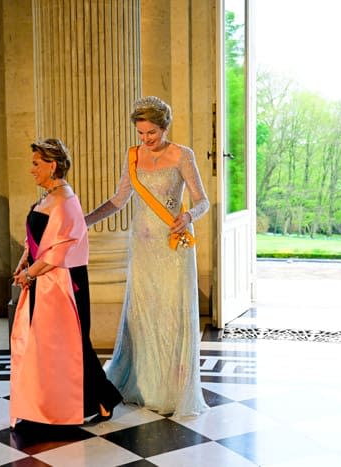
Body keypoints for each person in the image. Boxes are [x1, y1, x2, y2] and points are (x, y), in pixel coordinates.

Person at [85, 96, 210, 417]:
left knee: (171, 314)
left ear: (165, 127)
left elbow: (202, 201)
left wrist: (189, 216)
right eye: (141, 133)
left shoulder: (183, 156)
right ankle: (141, 384)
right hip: (141, 250)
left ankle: (170, 389)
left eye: (151, 133)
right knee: (143, 314)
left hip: (173, 249)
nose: (145, 139)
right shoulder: (133, 156)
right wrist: (83, 221)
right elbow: (117, 201)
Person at [10, 138, 122, 428]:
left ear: (53, 165)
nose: (31, 169)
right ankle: (46, 404)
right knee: (48, 344)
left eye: (36, 164)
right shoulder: (47, 197)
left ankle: (103, 399)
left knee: (74, 345)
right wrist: (25, 260)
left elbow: (60, 251)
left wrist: (30, 274)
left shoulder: (64, 200)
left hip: (63, 283)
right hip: (43, 279)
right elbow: (37, 238)